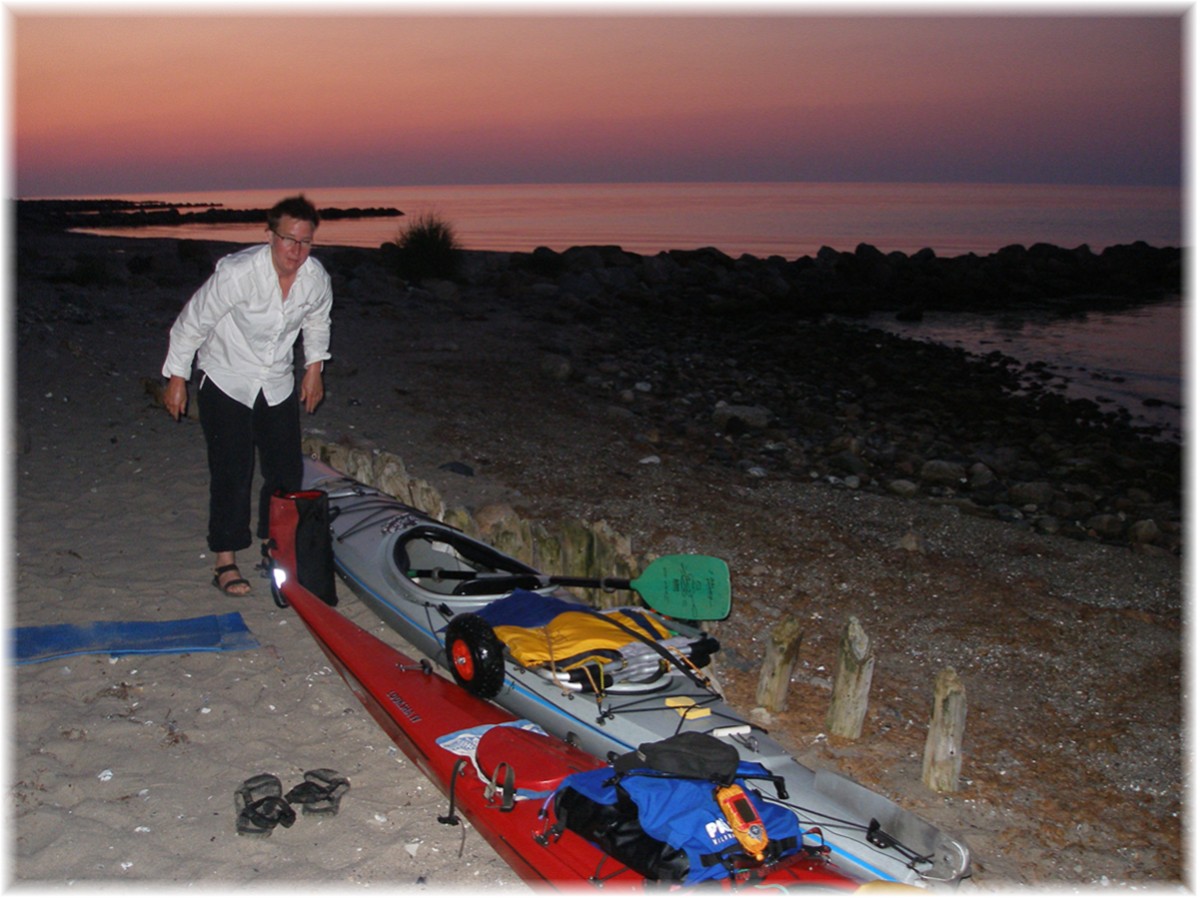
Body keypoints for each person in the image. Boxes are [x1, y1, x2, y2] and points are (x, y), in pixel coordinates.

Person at [162, 194, 332, 596]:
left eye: (306, 242)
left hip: (275, 381)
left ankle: (275, 547)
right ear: (270, 235)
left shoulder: (315, 277)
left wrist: (314, 369)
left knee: (285, 471)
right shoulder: (238, 273)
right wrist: (176, 378)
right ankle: (225, 560)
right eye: (289, 240)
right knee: (232, 470)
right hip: (227, 378)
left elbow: (317, 320)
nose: (297, 251)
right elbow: (192, 323)